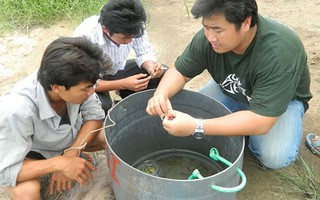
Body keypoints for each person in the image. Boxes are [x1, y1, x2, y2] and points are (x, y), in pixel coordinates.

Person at [146, 0, 312, 169]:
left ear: (246, 22)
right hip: (232, 88)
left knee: (273, 157)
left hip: (281, 102)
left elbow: (262, 120)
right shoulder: (209, 39)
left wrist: (198, 126)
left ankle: (253, 126)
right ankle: (238, 122)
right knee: (187, 114)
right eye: (206, 27)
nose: (210, 37)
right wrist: (161, 94)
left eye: (218, 30)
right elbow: (180, 71)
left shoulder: (279, 52)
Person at [0, 36, 113, 199]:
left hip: (67, 143)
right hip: (31, 153)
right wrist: (58, 164)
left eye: (92, 85)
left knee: (110, 135)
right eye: (86, 89)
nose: (91, 92)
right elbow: (5, 171)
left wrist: (72, 153)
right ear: (57, 88)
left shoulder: (76, 82)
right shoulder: (16, 111)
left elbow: (95, 117)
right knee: (26, 193)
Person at [74, 0, 167, 113]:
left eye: (134, 36)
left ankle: (132, 104)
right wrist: (124, 84)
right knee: (100, 106)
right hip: (90, 79)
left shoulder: (135, 25)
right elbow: (83, 83)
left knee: (162, 76)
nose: (130, 41)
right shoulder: (85, 37)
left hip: (116, 70)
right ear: (105, 30)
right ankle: (117, 99)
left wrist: (151, 67)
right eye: (125, 38)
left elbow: (144, 52)